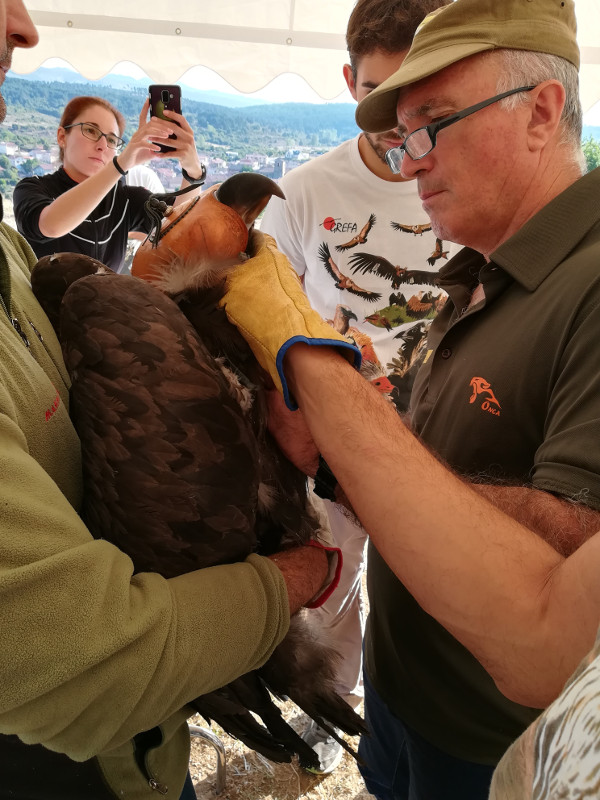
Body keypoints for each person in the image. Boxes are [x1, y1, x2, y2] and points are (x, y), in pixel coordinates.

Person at [219, 0, 600, 797]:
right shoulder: (481, 269)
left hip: (494, 740)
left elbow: (574, 553)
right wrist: (329, 448)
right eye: (397, 135)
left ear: (542, 111)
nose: (408, 160)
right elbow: (438, 453)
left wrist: (326, 388)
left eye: (433, 123)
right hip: (403, 695)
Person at [0, 4, 330, 798]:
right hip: (59, 767)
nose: (25, 27)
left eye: (114, 137)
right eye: (91, 134)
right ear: (60, 142)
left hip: (140, 744)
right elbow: (90, 666)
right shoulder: (35, 204)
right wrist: (295, 578)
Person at [260, 0, 449, 775]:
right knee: (331, 593)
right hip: (333, 447)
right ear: (349, 82)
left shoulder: (457, 178)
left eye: (418, 102)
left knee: (424, 602)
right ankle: (323, 727)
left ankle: (407, 739)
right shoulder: (303, 191)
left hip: (442, 444)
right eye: (379, 99)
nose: (401, 130)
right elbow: (267, 314)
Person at [12, 92, 205, 273]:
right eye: (90, 130)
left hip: (102, 308)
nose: (102, 145)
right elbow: (51, 225)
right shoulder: (32, 188)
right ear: (62, 136)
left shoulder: (124, 199)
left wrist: (193, 173)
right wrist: (121, 164)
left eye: (112, 140)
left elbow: (180, 230)